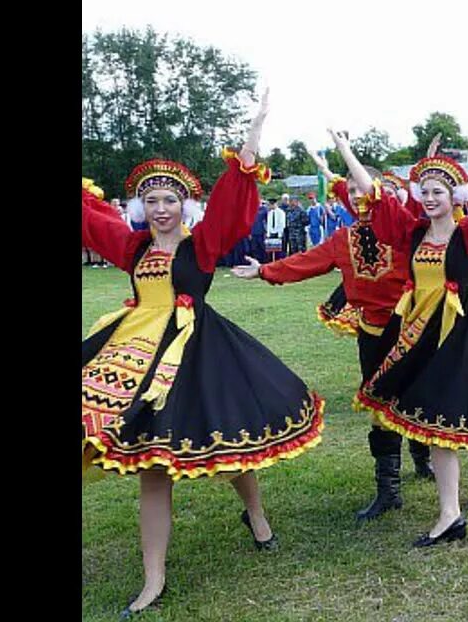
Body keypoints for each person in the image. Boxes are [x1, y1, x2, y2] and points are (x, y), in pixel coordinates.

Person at [82, 91, 325, 617]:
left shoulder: (203, 243)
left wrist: (254, 132)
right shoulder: (133, 247)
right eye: (151, 201)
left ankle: (256, 516)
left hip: (198, 354)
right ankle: (154, 577)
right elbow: (90, 217)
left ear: (184, 207)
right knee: (153, 463)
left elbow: (236, 200)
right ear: (141, 208)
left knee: (228, 439)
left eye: (169, 201)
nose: (161, 210)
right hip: (136, 354)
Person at [339, 113, 468, 547]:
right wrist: (346, 152)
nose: (431, 198)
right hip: (419, 333)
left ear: (455, 197)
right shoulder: (412, 233)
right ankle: (450, 514)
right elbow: (377, 199)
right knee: (438, 416)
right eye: (425, 192)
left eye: (439, 192)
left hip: (460, 332)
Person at [232, 145, 438, 521]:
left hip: (411, 327)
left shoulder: (405, 229)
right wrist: (264, 270)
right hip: (373, 332)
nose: (360, 198)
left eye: (367, 191)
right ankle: (388, 488)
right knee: (379, 401)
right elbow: (307, 262)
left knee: (419, 393)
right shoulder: (343, 239)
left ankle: (424, 459)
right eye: (355, 192)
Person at [264, 198, 286, 262]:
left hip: (279, 233)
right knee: (270, 251)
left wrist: (280, 234)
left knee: (279, 251)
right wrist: (268, 233)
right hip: (271, 233)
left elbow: (282, 224)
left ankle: (278, 262)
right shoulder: (270, 213)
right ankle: (271, 262)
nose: (271, 206)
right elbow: (269, 224)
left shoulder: (281, 212)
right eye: (270, 205)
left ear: (275, 204)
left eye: (272, 204)